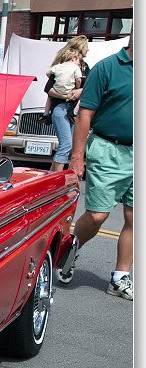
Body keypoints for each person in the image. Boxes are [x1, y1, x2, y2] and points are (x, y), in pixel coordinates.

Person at [62, 33, 133, 300]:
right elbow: (85, 113)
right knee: (97, 216)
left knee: (134, 218)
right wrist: (77, 156)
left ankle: (119, 277)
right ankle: (69, 249)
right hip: (108, 149)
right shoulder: (107, 67)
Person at [45, 38, 87, 173]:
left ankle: (50, 176)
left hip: (75, 110)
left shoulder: (85, 67)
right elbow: (48, 89)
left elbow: (89, 87)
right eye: (86, 46)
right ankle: (57, 177)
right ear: (79, 48)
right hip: (62, 108)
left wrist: (80, 90)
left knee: (70, 146)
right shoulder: (62, 67)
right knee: (66, 144)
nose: (88, 49)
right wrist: (66, 96)